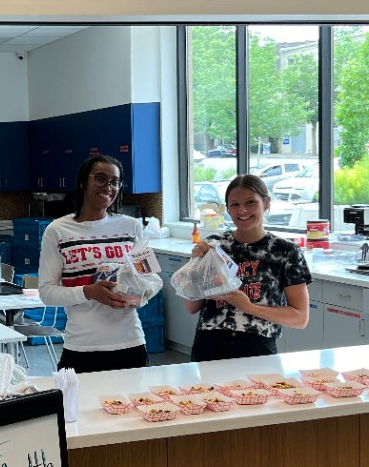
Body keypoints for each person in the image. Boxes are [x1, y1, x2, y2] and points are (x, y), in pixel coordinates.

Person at [38, 154, 161, 374]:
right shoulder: (58, 231)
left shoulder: (131, 228)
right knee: (75, 409)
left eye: (115, 182)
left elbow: (152, 280)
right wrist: (89, 292)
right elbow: (47, 292)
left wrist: (135, 295)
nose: (108, 187)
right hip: (81, 347)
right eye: (101, 179)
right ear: (84, 181)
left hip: (130, 343)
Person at [186, 174, 311, 361]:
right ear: (228, 209)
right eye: (234, 204)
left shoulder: (285, 252)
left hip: (257, 347)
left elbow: (300, 318)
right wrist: (195, 267)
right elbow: (191, 307)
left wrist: (249, 307)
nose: (242, 210)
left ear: (266, 203)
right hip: (209, 345)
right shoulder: (214, 246)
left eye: (250, 202)